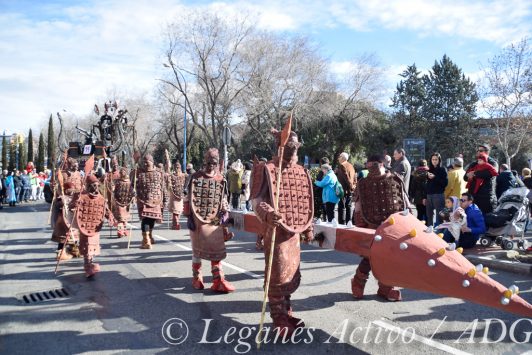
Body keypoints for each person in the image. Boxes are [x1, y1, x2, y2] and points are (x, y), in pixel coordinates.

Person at [251, 128, 314, 336]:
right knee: (276, 276)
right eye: (289, 145)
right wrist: (268, 213)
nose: (292, 149)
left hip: (293, 233)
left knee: (290, 274)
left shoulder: (302, 171)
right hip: (275, 231)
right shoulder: (266, 168)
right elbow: (257, 202)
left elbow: (304, 203)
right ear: (280, 145)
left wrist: (308, 227)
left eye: (295, 146)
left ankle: (286, 312)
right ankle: (278, 320)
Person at [351, 154, 409, 301]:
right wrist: (360, 228)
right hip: (370, 225)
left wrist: (408, 221)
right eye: (368, 166)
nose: (371, 169)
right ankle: (358, 282)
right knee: (369, 256)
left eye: (374, 166)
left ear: (382, 164)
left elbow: (404, 202)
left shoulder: (395, 180)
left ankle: (386, 287)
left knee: (390, 257)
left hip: (393, 225)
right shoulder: (363, 184)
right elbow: (358, 207)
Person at [186, 148, 235, 293]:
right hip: (197, 218)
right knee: (197, 250)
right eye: (208, 162)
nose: (211, 165)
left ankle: (218, 280)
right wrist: (188, 215)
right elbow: (188, 198)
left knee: (216, 248)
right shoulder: (195, 177)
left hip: (214, 219)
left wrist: (225, 213)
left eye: (213, 162)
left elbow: (223, 198)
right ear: (204, 161)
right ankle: (197, 277)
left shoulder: (221, 179)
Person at [71, 175, 114, 277]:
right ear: (88, 185)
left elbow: (105, 210)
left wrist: (111, 218)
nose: (95, 187)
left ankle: (89, 264)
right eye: (93, 185)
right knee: (87, 246)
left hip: (94, 227)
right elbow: (71, 206)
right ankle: (88, 266)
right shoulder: (81, 196)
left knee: (92, 246)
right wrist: (74, 204)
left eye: (96, 185)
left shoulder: (101, 198)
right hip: (84, 226)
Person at [135, 154, 164, 249]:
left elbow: (162, 187)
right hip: (147, 200)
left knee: (148, 219)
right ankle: (148, 238)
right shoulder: (140, 173)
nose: (145, 164)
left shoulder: (158, 173)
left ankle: (147, 239)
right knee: (149, 218)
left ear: (152, 162)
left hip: (153, 200)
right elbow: (136, 186)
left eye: (147, 162)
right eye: (144, 162)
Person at [464, 144, 498, 215]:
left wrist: (474, 174)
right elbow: (465, 177)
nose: (478, 152)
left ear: (487, 152)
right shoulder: (474, 163)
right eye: (478, 150)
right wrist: (468, 175)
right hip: (473, 196)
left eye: (481, 150)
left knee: (487, 220)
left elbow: (489, 174)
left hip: (486, 197)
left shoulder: (492, 163)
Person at [51, 182, 81, 260]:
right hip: (63, 222)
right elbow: (57, 207)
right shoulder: (62, 198)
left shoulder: (76, 197)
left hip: (73, 221)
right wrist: (62, 203)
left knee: (74, 237)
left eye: (72, 189)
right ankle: (61, 253)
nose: (71, 191)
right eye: (69, 189)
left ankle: (74, 250)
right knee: (63, 239)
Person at [426, 152, 448, 226]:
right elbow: (427, 184)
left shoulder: (442, 169)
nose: (434, 161)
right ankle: (430, 232)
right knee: (429, 216)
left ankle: (439, 233)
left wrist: (434, 177)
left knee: (439, 217)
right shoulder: (429, 169)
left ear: (439, 160)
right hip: (429, 195)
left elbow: (445, 183)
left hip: (438, 195)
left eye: (436, 159)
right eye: (433, 159)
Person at [112, 167, 134, 238]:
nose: (121, 173)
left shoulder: (129, 182)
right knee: (120, 218)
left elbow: (131, 192)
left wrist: (133, 195)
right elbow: (115, 191)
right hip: (118, 202)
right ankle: (120, 231)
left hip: (126, 203)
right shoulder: (118, 182)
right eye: (121, 172)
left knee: (124, 218)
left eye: (123, 172)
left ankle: (124, 229)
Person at [336, 152, 357, 225]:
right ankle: (349, 222)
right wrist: (354, 186)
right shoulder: (351, 166)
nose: (338, 158)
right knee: (349, 206)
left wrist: (351, 186)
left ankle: (341, 223)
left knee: (341, 207)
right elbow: (355, 177)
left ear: (343, 158)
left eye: (340, 156)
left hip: (343, 190)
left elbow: (346, 178)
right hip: (349, 189)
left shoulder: (342, 165)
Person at [167, 161, 186, 230]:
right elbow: (168, 181)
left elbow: (187, 183)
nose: (177, 168)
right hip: (173, 195)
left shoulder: (184, 175)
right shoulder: (171, 176)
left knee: (178, 211)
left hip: (180, 196)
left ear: (180, 168)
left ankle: (176, 224)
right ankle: (176, 224)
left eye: (178, 167)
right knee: (175, 211)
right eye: (176, 167)